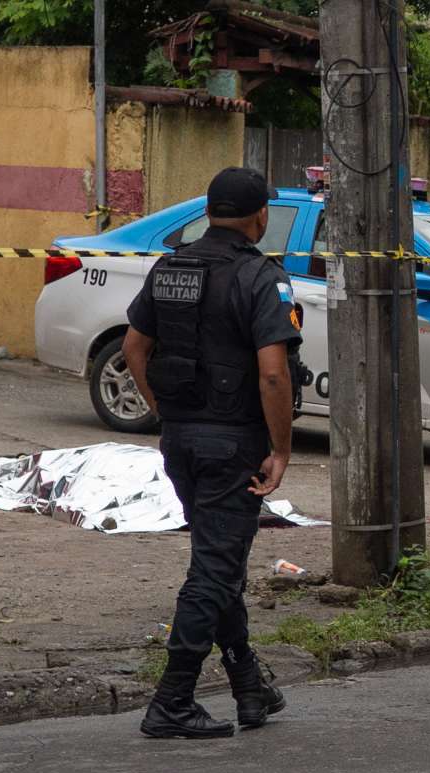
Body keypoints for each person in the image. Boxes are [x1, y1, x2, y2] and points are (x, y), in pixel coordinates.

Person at [123, 167, 302, 738]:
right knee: (213, 570)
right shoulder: (260, 276)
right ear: (259, 217)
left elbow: (133, 346)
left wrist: (164, 410)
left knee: (219, 564)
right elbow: (274, 374)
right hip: (233, 444)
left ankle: (250, 688)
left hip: (181, 441)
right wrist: (281, 450)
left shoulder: (170, 266)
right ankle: (171, 701)